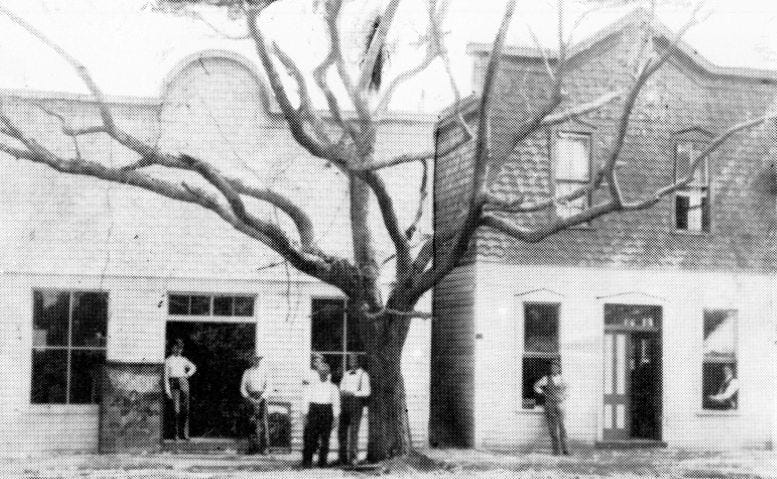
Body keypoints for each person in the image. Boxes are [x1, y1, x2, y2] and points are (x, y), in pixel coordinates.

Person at [301, 363, 340, 468]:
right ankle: (307, 461)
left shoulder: (333, 387)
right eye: (321, 371)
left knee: (325, 439)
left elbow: (336, 403)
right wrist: (304, 415)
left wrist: (336, 417)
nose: (323, 373)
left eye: (325, 371)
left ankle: (322, 462)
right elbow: (305, 400)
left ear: (328, 373)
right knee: (310, 437)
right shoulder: (311, 385)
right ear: (318, 372)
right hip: (313, 411)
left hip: (327, 412)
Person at [337, 354, 370, 465]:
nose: (351, 362)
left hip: (356, 404)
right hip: (345, 404)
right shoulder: (346, 374)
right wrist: (343, 392)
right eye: (350, 360)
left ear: (358, 361)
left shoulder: (364, 375)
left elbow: (367, 392)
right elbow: (341, 387)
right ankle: (342, 458)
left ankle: (353, 458)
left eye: (354, 360)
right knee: (342, 431)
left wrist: (353, 393)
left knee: (354, 432)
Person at [533, 358, 569, 455]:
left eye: (556, 367)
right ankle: (556, 451)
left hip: (560, 405)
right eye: (552, 367)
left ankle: (565, 450)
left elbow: (567, 390)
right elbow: (536, 386)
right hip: (549, 405)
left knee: (562, 427)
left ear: (559, 368)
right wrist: (543, 393)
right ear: (551, 368)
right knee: (553, 429)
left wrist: (563, 397)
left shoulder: (562, 379)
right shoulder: (545, 378)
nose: (554, 369)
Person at [164, 339, 197, 441]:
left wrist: (186, 375)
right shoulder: (168, 360)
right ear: (172, 348)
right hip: (173, 383)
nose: (178, 350)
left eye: (180, 348)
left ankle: (184, 434)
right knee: (176, 410)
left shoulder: (183, 360)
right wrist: (167, 390)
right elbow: (165, 377)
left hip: (183, 382)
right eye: (176, 347)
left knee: (185, 409)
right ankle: (176, 434)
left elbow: (193, 367)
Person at [240, 355, 272, 454]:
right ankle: (252, 447)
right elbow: (242, 387)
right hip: (250, 397)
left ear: (260, 360)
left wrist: (261, 398)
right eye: (254, 360)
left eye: (258, 360)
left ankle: (265, 448)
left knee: (263, 423)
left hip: (262, 397)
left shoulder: (265, 371)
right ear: (251, 361)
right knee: (251, 422)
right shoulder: (247, 372)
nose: (256, 362)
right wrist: (249, 398)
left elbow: (269, 386)